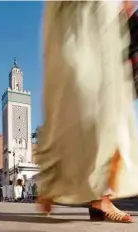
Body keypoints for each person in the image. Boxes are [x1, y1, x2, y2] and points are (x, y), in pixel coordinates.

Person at [36, 1, 138, 223]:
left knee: (104, 100)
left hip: (100, 13)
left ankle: (97, 195)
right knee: (81, 94)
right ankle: (64, 183)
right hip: (77, 12)